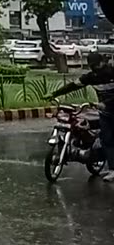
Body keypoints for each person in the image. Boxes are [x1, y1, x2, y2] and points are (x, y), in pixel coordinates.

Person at [48, 52, 114, 182]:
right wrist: (55, 93)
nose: (95, 68)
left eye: (96, 65)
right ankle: (113, 169)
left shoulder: (112, 73)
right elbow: (73, 85)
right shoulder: (91, 77)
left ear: (103, 62)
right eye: (92, 66)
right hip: (105, 114)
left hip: (110, 108)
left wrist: (106, 103)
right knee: (107, 141)